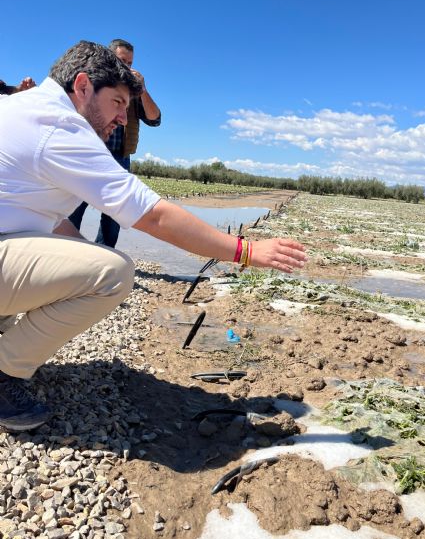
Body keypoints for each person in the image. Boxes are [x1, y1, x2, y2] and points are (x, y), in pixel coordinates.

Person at [0, 40, 306, 432]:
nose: (124, 119)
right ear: (81, 87)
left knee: (87, 258)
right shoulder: (61, 126)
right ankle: (5, 373)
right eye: (117, 103)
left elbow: (50, 221)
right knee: (112, 273)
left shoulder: (22, 108)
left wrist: (80, 261)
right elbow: (153, 216)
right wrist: (244, 250)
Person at [68, 39, 161, 247]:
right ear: (109, 58)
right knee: (75, 204)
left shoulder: (134, 92)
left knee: (115, 213)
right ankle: (68, 250)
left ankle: (104, 255)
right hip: (90, 152)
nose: (127, 67)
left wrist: (142, 89)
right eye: (122, 61)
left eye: (130, 63)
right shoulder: (94, 83)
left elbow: (155, 119)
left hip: (120, 157)